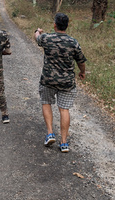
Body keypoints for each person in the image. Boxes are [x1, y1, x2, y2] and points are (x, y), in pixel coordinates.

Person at [34, 13, 86, 152]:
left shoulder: (46, 38)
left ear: (55, 25)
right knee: (64, 109)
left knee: (46, 103)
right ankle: (64, 142)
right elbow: (81, 61)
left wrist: (37, 31)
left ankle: (50, 133)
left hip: (48, 80)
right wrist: (82, 72)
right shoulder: (73, 42)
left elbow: (37, 38)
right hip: (67, 82)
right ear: (67, 26)